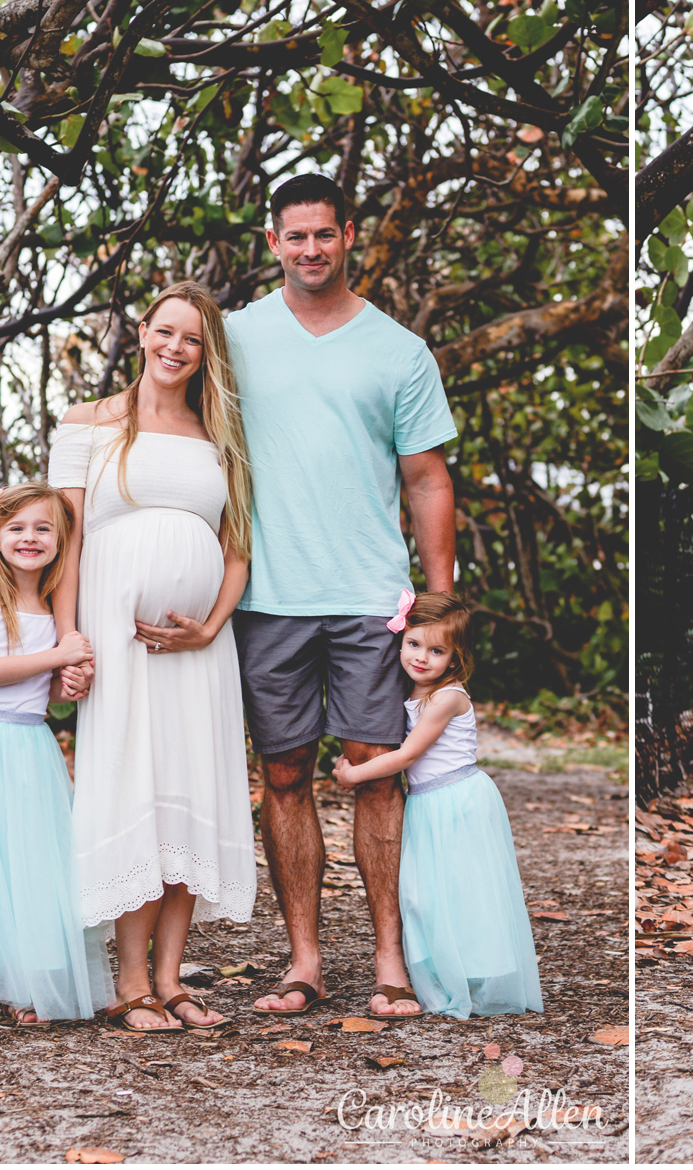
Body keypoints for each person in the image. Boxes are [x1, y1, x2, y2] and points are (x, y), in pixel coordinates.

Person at [226, 173, 457, 1019]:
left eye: (325, 234)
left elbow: (427, 479)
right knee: (283, 775)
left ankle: (390, 960)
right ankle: (305, 962)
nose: (311, 250)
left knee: (374, 775)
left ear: (350, 235)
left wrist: (439, 602)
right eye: (296, 237)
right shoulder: (235, 337)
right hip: (265, 598)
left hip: (372, 598)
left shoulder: (398, 349)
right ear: (272, 240)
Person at [49, 280, 257, 1032]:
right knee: (133, 788)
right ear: (141, 332)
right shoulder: (86, 423)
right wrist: (67, 640)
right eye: (165, 332)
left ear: (208, 354)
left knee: (191, 793)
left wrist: (210, 625)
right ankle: (128, 980)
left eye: (193, 339)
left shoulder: (218, 432)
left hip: (200, 649)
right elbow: (66, 543)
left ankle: (172, 978)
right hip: (117, 642)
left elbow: (238, 547)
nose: (176, 348)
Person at [0, 481, 112, 1024]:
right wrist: (60, 654)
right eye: (17, 527)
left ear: (60, 540)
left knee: (34, 860)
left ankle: (30, 984)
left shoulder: (57, 605)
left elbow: (47, 693)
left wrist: (69, 683)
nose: (29, 538)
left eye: (43, 528)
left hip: (29, 742)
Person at [330, 593, 543, 1019]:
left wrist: (354, 774)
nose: (422, 658)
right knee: (424, 894)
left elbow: (408, 755)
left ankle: (479, 977)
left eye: (436, 650)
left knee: (465, 890)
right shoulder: (412, 688)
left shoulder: (447, 698)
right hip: (428, 804)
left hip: (457, 801)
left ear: (455, 657)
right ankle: (447, 973)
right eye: (413, 644)